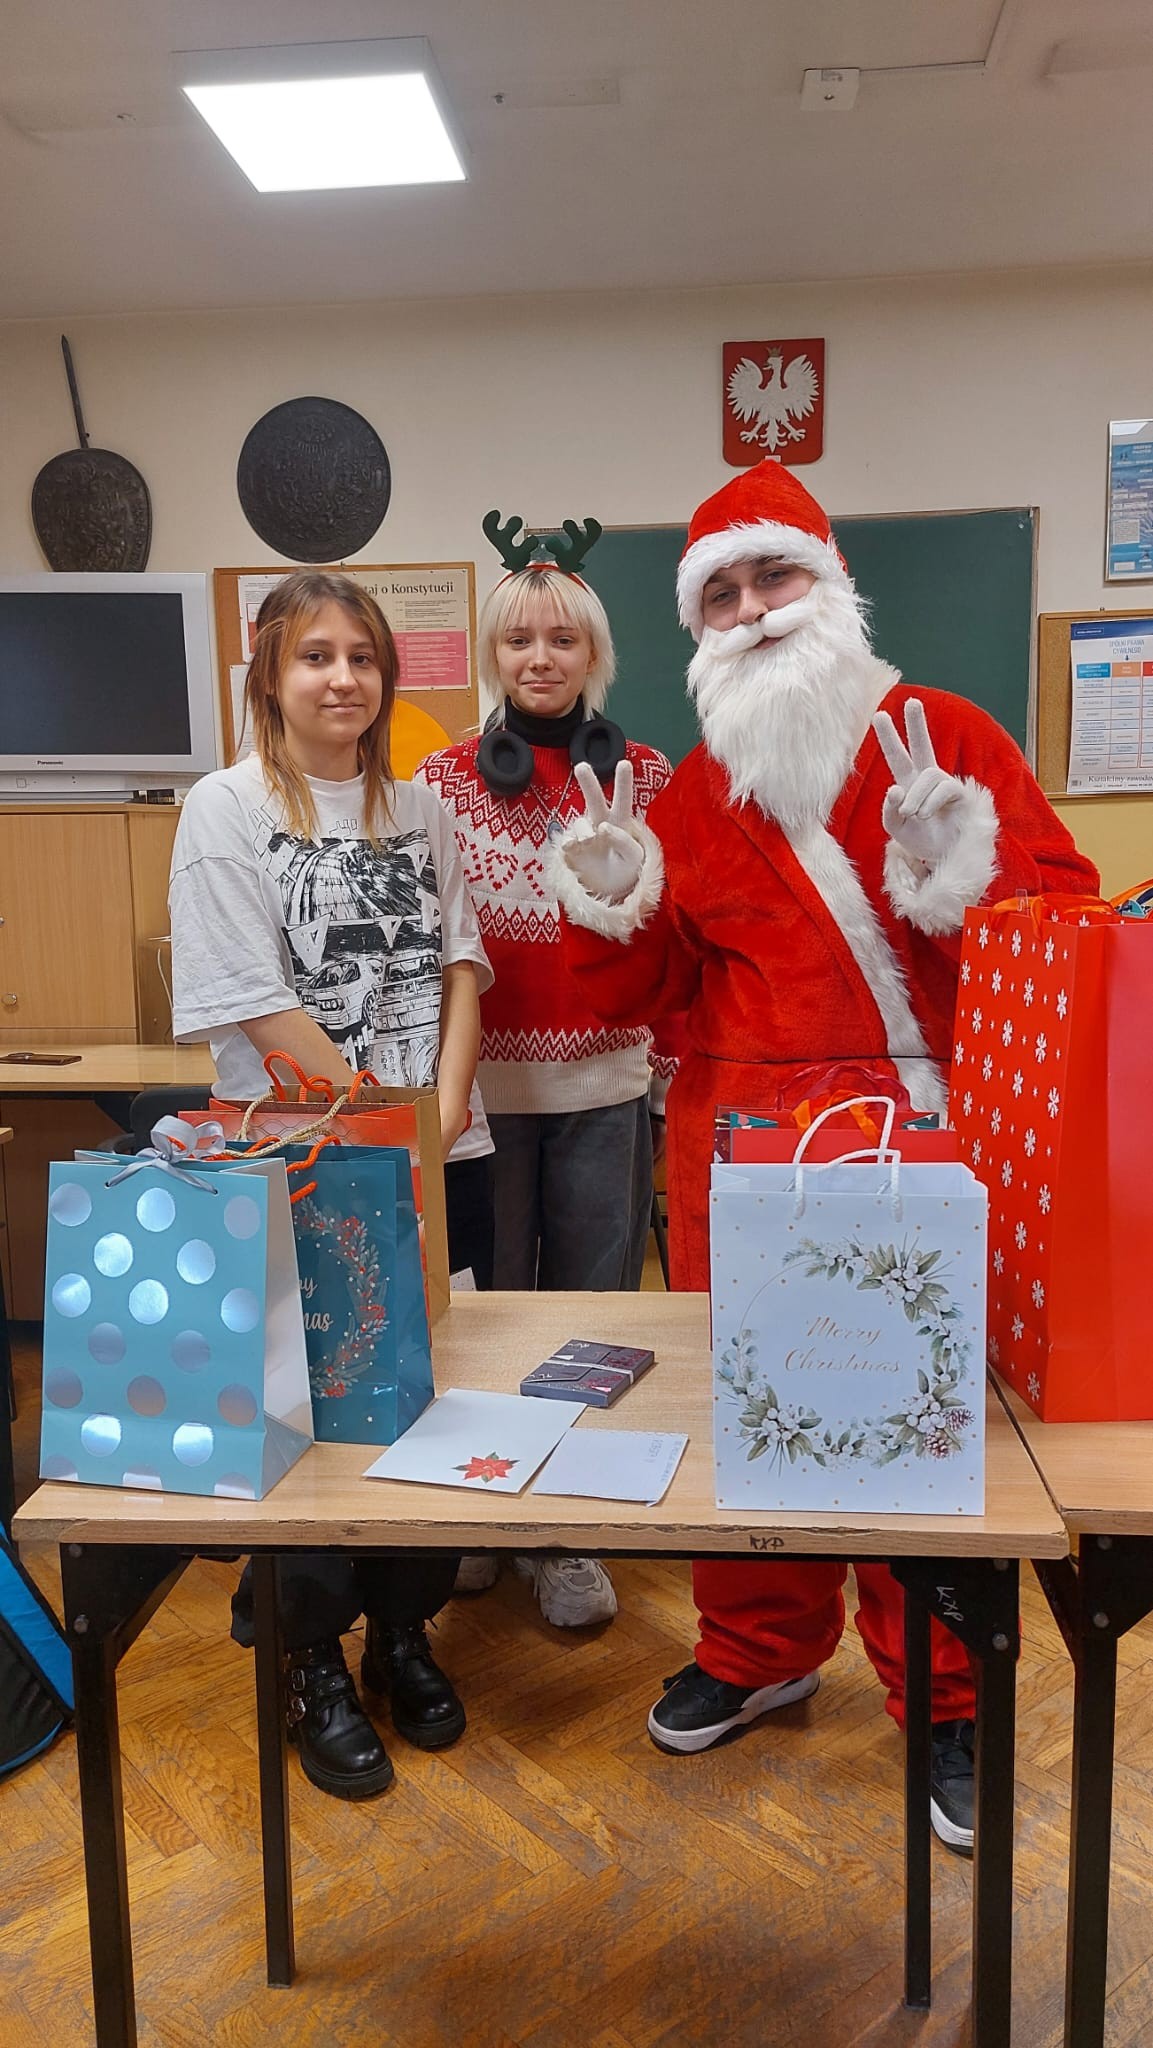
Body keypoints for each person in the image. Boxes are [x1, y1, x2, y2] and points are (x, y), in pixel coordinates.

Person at [548, 461, 1099, 1852]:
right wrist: (615, 900)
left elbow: (1060, 940)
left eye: (773, 575)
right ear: (697, 627)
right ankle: (756, 1649)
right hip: (738, 1153)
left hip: (919, 1135)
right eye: (720, 594)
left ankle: (948, 1694)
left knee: (917, 1435)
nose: (751, 610)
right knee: (760, 1425)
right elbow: (642, 997)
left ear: (830, 582)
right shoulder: (692, 795)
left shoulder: (944, 731)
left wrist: (961, 870)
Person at [170, 569, 494, 1799]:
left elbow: (460, 966)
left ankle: (403, 1627)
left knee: (418, 1400)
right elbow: (253, 1000)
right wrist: (382, 1123)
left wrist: (440, 1111)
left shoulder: (423, 809)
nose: (342, 678)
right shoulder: (225, 806)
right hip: (298, 1165)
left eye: (361, 655)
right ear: (270, 672)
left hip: (432, 1154)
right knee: (301, 1415)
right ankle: (310, 1655)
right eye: (315, 655)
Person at [415, 516, 673, 1626]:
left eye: (563, 639)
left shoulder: (646, 775)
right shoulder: (436, 781)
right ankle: (486, 1507)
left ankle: (564, 1531)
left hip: (605, 1089)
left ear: (594, 654)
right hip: (475, 1102)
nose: (539, 658)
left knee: (587, 1316)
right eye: (518, 639)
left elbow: (668, 933)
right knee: (485, 1315)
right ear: (492, 652)